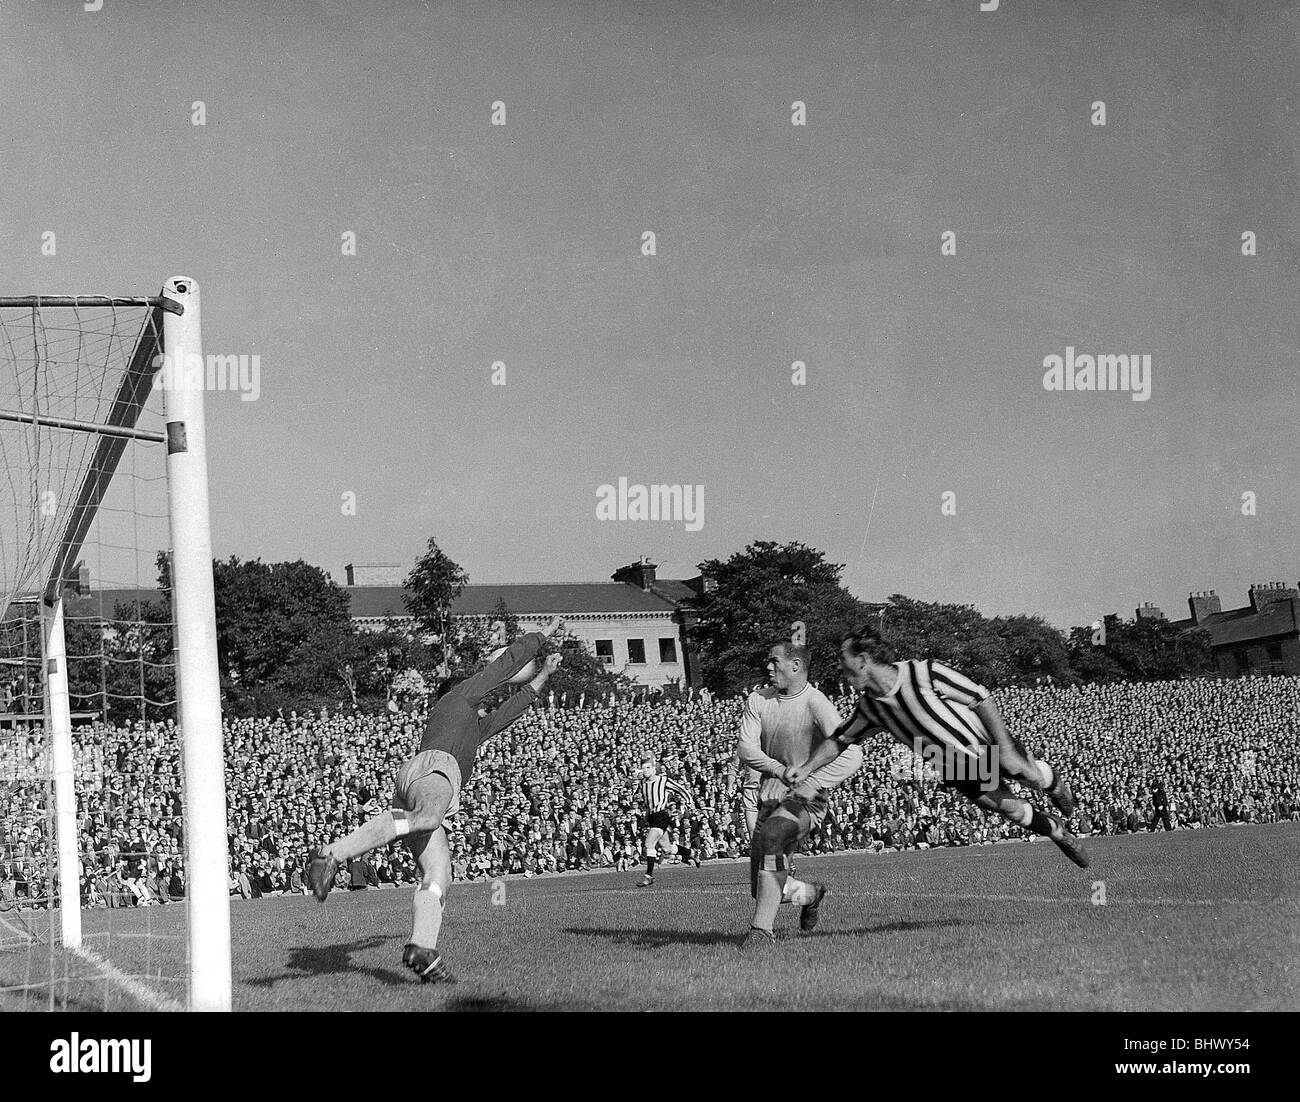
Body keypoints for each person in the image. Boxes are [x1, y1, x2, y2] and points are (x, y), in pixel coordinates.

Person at [307, 617, 564, 984]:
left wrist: (545, 675)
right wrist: (543, 636)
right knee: (428, 817)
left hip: (428, 777)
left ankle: (422, 947)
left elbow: (511, 710)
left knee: (439, 874)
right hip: (434, 769)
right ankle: (332, 853)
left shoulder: (473, 725)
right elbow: (504, 667)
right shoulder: (459, 696)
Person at [788, 625, 1089, 870]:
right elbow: (840, 739)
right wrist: (805, 769)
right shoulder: (869, 708)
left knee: (1029, 776)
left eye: (843, 658)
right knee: (1008, 808)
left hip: (985, 744)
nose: (840, 666)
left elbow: (981, 697)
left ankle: (1054, 783)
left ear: (863, 659)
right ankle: (1057, 832)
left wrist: (1005, 747)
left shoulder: (924, 673)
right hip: (955, 766)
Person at [737, 639, 863, 950]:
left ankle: (761, 933)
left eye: (774, 661)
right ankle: (810, 894)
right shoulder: (758, 701)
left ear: (795, 666)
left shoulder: (815, 703)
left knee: (774, 836)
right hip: (770, 795)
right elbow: (746, 748)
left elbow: (852, 754)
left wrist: (811, 779)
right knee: (763, 888)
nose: (768, 666)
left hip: (808, 799)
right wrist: (780, 771)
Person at [633, 755, 696, 887]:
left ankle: (648, 876)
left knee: (649, 843)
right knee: (667, 849)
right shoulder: (642, 783)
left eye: (648, 768)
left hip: (661, 816)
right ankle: (691, 853)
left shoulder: (663, 780)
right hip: (651, 817)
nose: (645, 770)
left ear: (654, 769)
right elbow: (643, 799)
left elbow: (681, 789)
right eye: (643, 768)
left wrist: (690, 802)